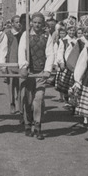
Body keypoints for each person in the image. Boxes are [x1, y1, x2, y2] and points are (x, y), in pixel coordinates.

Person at [18, 12, 55, 140]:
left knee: (39, 98)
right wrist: (23, 66)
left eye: (39, 23)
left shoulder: (47, 36)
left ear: (43, 23)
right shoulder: (26, 35)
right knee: (28, 100)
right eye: (35, 22)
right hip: (29, 72)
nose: (37, 25)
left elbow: (50, 54)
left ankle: (38, 126)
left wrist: (47, 70)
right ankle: (28, 124)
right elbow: (21, 50)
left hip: (40, 72)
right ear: (32, 23)